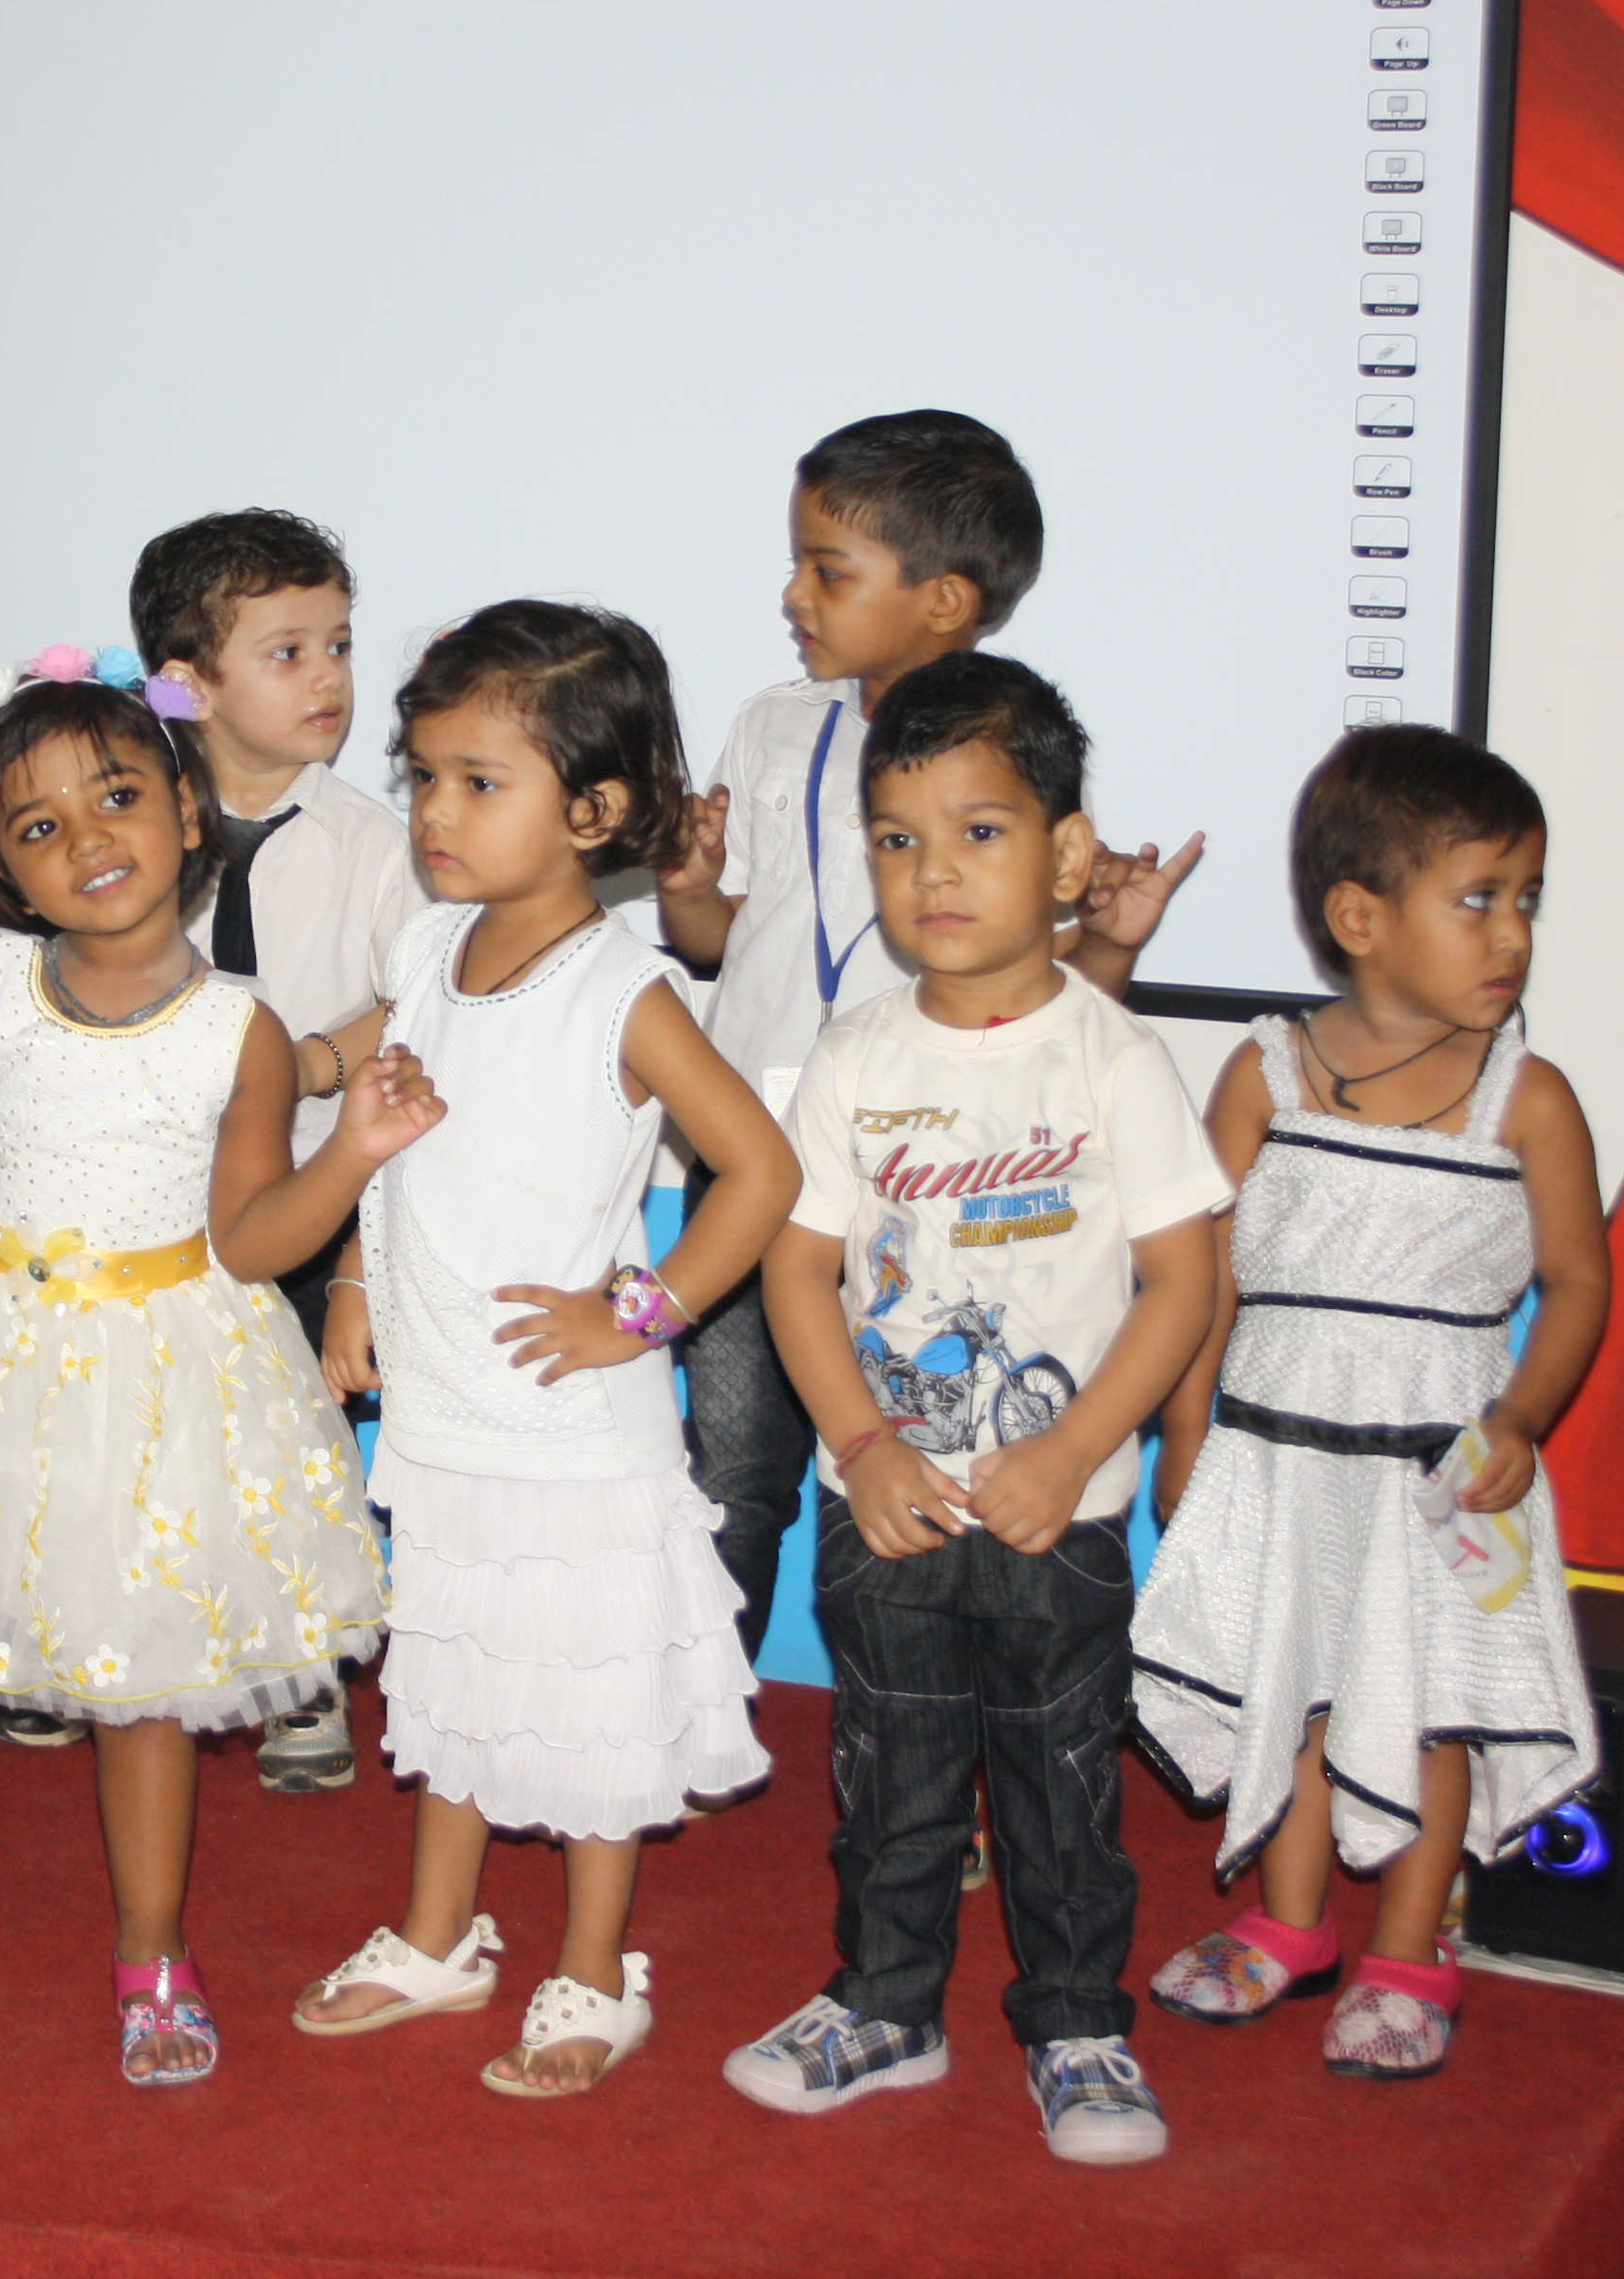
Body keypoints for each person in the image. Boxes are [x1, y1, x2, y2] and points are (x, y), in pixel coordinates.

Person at [0, 661, 428, 2086]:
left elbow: (250, 1241)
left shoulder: (240, 1028)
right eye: (38, 826)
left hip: (156, 1374)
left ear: (186, 808)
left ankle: (152, 1947)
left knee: (141, 1675)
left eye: (116, 797)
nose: (88, 839)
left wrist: (351, 1154)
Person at [727, 652, 1227, 2163]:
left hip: (1057, 1519)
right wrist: (863, 1446)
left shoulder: (1116, 1057)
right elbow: (799, 1267)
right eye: (898, 838)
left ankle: (1078, 2029)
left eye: (980, 832)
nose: (933, 872)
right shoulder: (856, 1055)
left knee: (1062, 1786)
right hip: (885, 1510)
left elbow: (1182, 1282)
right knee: (891, 1780)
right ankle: (886, 2006)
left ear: (1068, 856)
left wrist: (1073, 1450)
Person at [285, 602, 791, 2098]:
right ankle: (438, 1936)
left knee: (583, 1697)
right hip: (443, 1410)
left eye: (478, 782)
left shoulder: (623, 990)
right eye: (424, 777)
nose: (435, 813)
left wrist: (641, 1317)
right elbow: (387, 1129)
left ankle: (594, 1967)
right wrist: (353, 1281)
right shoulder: (429, 946)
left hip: (574, 1424)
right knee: (451, 1670)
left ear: (595, 810)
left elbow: (761, 1171)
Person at [654, 412, 1199, 1656]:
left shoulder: (1011, 756)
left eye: (828, 570)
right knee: (732, 1474)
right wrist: (686, 887)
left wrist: (1115, 945)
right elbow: (720, 940)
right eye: (796, 564)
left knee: (924, 1442)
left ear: (945, 600)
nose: (793, 595)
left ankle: (927, 1725)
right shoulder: (772, 722)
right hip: (746, 1158)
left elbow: (1042, 996)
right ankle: (699, 1717)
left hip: (913, 1183)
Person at [1131, 725, 1610, 2079]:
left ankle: (1409, 1953)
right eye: (1479, 898)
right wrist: (1186, 1431)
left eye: (1526, 899)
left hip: (1441, 1470)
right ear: (1359, 917)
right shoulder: (1264, 1073)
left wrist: (1519, 1421)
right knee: (1289, 1688)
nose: (1513, 933)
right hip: (1279, 1453)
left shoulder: (1528, 1100)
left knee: (1425, 1700)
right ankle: (1291, 1928)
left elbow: (1578, 1280)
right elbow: (1206, 1271)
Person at [129, 507, 427, 1793]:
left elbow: (418, 1008)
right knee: (135, 1435)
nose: (329, 679)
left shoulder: (378, 843)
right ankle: (103, 1649)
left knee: (293, 1439)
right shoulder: (128, 822)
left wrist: (306, 1063)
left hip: (304, 1190)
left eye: (340, 646)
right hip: (144, 1197)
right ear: (187, 684)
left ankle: (305, 1670)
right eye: (289, 651)